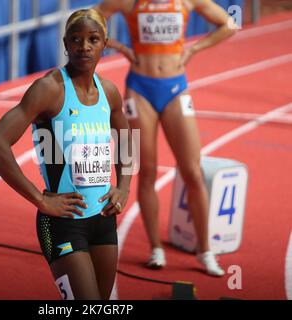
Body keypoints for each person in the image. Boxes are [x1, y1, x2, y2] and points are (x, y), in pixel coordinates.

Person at [0, 8, 132, 299]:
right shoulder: (49, 89)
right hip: (62, 224)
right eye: (75, 40)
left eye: (93, 39)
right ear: (65, 44)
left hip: (102, 219)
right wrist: (39, 199)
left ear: (105, 43)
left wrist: (124, 186)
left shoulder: (110, 93)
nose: (84, 47)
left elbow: (125, 137)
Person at [94, 0, 237, 276]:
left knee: (193, 172)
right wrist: (121, 47)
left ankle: (205, 251)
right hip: (140, 88)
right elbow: (90, 19)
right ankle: (155, 248)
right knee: (146, 171)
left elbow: (229, 24)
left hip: (175, 87)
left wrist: (194, 48)